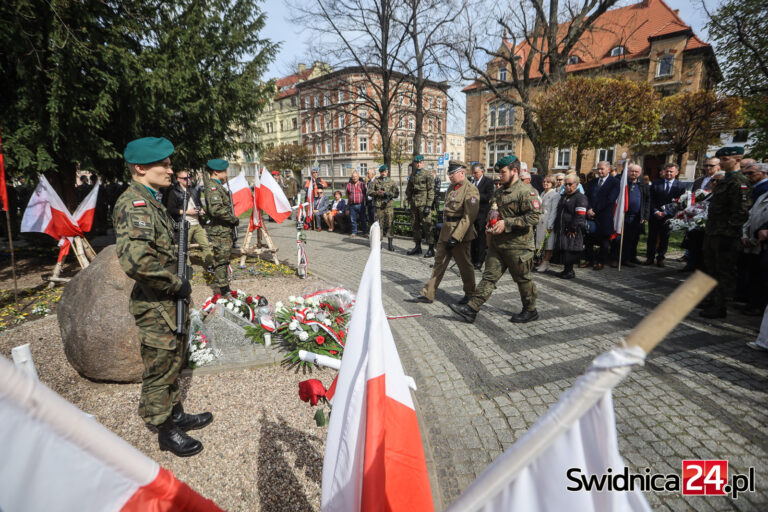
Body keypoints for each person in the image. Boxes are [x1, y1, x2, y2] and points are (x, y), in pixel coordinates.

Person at [113, 137, 212, 458]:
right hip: (156, 303)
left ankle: (175, 413)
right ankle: (165, 429)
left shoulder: (153, 199)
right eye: (164, 164)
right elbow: (137, 261)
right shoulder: (134, 204)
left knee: (174, 360)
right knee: (160, 366)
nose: (171, 170)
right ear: (141, 168)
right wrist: (176, 284)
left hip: (168, 301)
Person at [450, 155, 541, 324]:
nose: (500, 175)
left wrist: (507, 223)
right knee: (489, 277)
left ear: (515, 171)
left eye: (503, 172)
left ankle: (530, 310)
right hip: (498, 245)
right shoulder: (498, 192)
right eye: (499, 172)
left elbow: (534, 217)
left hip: (519, 247)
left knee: (523, 280)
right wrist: (489, 227)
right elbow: (493, 214)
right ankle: (471, 309)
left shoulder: (526, 192)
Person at [410, 161, 479, 304]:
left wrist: (456, 236)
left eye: (452, 174)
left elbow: (469, 217)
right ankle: (428, 293)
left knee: (464, 265)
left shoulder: (470, 189)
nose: (450, 176)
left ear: (462, 172)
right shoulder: (451, 188)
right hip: (446, 231)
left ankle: (470, 294)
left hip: (460, 233)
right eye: (449, 174)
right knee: (439, 263)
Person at [700, 147, 753, 319]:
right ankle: (712, 299)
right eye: (720, 159)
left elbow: (741, 212)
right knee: (711, 268)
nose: (721, 163)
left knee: (724, 271)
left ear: (737, 159)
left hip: (725, 236)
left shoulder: (739, 182)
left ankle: (720, 306)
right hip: (713, 232)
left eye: (725, 159)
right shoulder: (724, 180)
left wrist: (728, 233)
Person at [203, 158, 239, 296]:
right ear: (216, 172)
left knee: (224, 259)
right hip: (219, 230)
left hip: (223, 230)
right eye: (224, 171)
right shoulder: (212, 187)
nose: (226, 174)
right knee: (221, 260)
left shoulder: (217, 186)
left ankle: (224, 286)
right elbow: (216, 210)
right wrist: (233, 219)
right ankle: (222, 289)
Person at [166, 169, 214, 268]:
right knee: (184, 248)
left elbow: (198, 204)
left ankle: (210, 265)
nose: (188, 180)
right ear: (178, 179)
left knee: (205, 244)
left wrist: (201, 210)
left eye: (189, 177)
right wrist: (187, 212)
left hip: (197, 223)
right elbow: (171, 210)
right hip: (184, 224)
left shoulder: (193, 190)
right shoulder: (174, 192)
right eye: (184, 178)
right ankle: (186, 268)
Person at [645, 163, 685, 267]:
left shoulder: (680, 186)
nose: (668, 173)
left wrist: (666, 212)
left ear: (676, 172)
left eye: (671, 171)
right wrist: (655, 211)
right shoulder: (656, 183)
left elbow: (680, 202)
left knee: (664, 237)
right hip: (655, 215)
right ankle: (649, 257)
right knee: (652, 237)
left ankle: (660, 258)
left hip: (668, 217)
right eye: (667, 171)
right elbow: (650, 199)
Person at [582, 161, 619, 270]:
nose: (599, 171)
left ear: (609, 169)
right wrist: (588, 209)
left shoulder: (615, 182)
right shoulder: (593, 182)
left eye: (602, 169)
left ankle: (600, 262)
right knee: (588, 240)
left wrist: (595, 210)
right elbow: (586, 197)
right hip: (590, 215)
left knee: (604, 241)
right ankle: (589, 260)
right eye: (598, 169)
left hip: (604, 216)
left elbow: (610, 199)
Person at [553, 175, 589, 279]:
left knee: (571, 249)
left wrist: (573, 227)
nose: (567, 186)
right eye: (566, 184)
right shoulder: (564, 196)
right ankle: (566, 270)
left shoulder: (580, 197)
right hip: (562, 227)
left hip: (572, 229)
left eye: (570, 184)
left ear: (577, 185)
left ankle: (569, 271)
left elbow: (580, 215)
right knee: (565, 249)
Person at [616, 163, 650, 267]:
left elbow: (647, 201)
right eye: (632, 171)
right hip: (624, 216)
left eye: (636, 172)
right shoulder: (623, 184)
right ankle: (624, 258)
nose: (634, 173)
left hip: (637, 216)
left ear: (640, 173)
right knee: (625, 238)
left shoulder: (643, 185)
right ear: (628, 172)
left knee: (635, 238)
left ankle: (632, 256)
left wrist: (645, 216)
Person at [405, 155, 435, 256]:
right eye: (417, 162)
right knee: (415, 226)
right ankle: (417, 246)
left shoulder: (427, 174)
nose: (418, 164)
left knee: (427, 225)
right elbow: (409, 190)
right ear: (414, 163)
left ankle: (431, 248)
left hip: (423, 203)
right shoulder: (413, 175)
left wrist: (428, 205)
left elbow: (431, 190)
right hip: (414, 203)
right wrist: (406, 203)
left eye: (420, 162)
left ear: (423, 163)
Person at [470, 163, 494, 269]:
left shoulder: (488, 181)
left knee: (480, 237)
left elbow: (489, 196)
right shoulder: (471, 181)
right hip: (472, 213)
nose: (474, 175)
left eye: (476, 173)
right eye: (473, 173)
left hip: (482, 213)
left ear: (482, 171)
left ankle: (480, 260)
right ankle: (472, 258)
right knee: (472, 236)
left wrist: (476, 195)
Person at [370, 164, 399, 250]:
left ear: (387, 172)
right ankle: (379, 243)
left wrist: (390, 194)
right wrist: (377, 193)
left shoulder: (392, 182)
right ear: (380, 172)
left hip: (388, 206)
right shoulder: (376, 181)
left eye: (385, 171)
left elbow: (397, 194)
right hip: (379, 206)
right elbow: (369, 192)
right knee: (379, 224)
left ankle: (390, 244)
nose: (383, 173)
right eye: (382, 172)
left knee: (390, 224)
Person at [535, 175, 560, 272]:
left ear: (552, 184)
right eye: (544, 181)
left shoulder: (555, 195)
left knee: (548, 244)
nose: (545, 183)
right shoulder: (542, 193)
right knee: (541, 243)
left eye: (548, 182)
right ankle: (542, 261)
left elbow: (554, 211)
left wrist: (550, 225)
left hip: (548, 222)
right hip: (540, 222)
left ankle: (546, 263)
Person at [345, 171, 367, 238]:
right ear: (351, 177)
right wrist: (351, 199)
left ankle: (365, 233)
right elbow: (347, 194)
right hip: (352, 205)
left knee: (363, 219)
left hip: (361, 205)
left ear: (358, 177)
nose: (354, 178)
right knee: (353, 220)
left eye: (355, 176)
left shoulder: (362, 184)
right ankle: (354, 232)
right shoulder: (349, 185)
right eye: (353, 177)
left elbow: (365, 193)